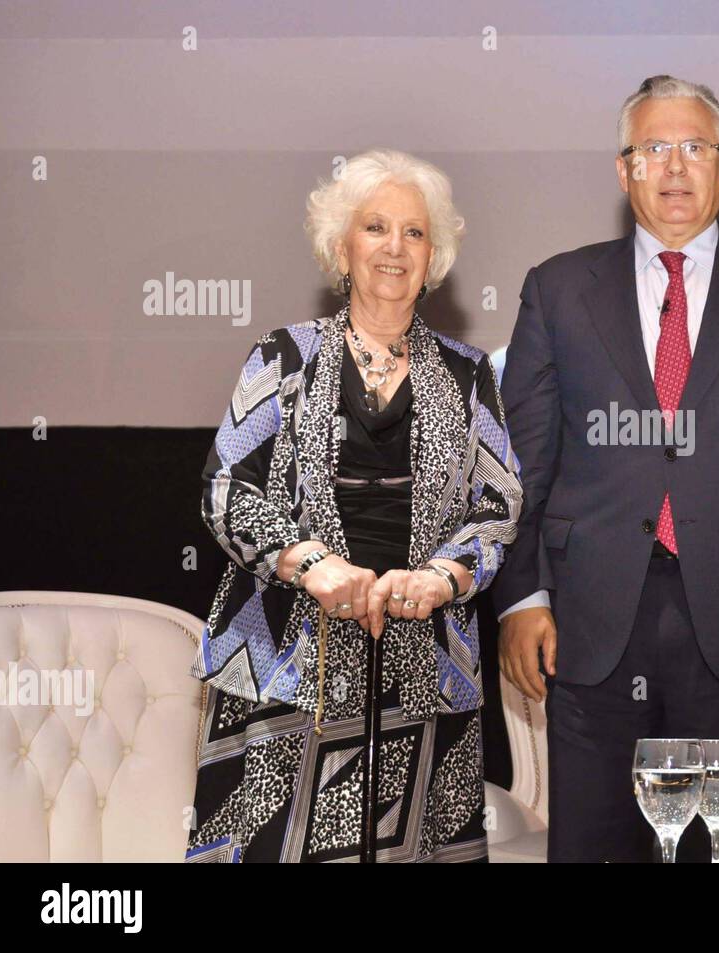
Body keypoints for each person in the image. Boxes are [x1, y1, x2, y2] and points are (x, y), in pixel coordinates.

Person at [493, 75, 719, 862]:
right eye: (655, 148)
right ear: (624, 171)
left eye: (697, 148)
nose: (676, 167)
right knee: (595, 846)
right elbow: (522, 462)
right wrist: (521, 594)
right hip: (591, 622)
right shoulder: (557, 288)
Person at [186, 149, 522, 862]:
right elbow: (224, 489)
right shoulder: (280, 357)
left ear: (434, 257)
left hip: (427, 666)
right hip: (282, 665)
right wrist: (309, 562)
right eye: (375, 227)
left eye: (414, 232)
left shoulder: (469, 375)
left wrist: (444, 577)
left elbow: (498, 506)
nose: (394, 247)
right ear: (342, 247)